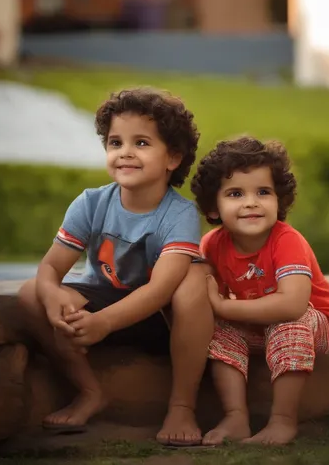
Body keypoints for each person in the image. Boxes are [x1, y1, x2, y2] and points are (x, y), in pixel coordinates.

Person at [18, 88, 213, 446]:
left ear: (172, 157)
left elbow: (161, 289)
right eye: (115, 142)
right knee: (31, 291)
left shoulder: (179, 214)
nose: (124, 152)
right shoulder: (91, 203)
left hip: (161, 318)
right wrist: (52, 300)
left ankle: (182, 405)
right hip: (103, 304)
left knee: (193, 278)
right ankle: (89, 391)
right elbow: (50, 269)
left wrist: (103, 323)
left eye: (141, 143)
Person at [190, 136, 329, 446]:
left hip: (313, 324)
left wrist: (225, 308)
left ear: (279, 199)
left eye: (263, 192)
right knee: (216, 329)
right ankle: (236, 416)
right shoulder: (213, 245)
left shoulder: (286, 240)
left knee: (290, 325)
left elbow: (293, 304)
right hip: (255, 325)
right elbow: (207, 299)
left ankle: (283, 421)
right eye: (235, 193)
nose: (251, 202)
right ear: (213, 207)